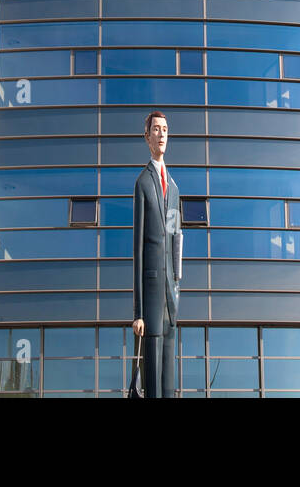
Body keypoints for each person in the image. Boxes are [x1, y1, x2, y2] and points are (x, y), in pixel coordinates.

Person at [131, 110, 181, 398]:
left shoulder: (173, 189)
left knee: (168, 380)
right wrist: (137, 312)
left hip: (170, 298)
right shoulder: (142, 183)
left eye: (165, 129)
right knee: (151, 377)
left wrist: (177, 285)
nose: (161, 134)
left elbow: (175, 240)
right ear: (147, 136)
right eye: (156, 129)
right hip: (150, 296)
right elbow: (138, 248)